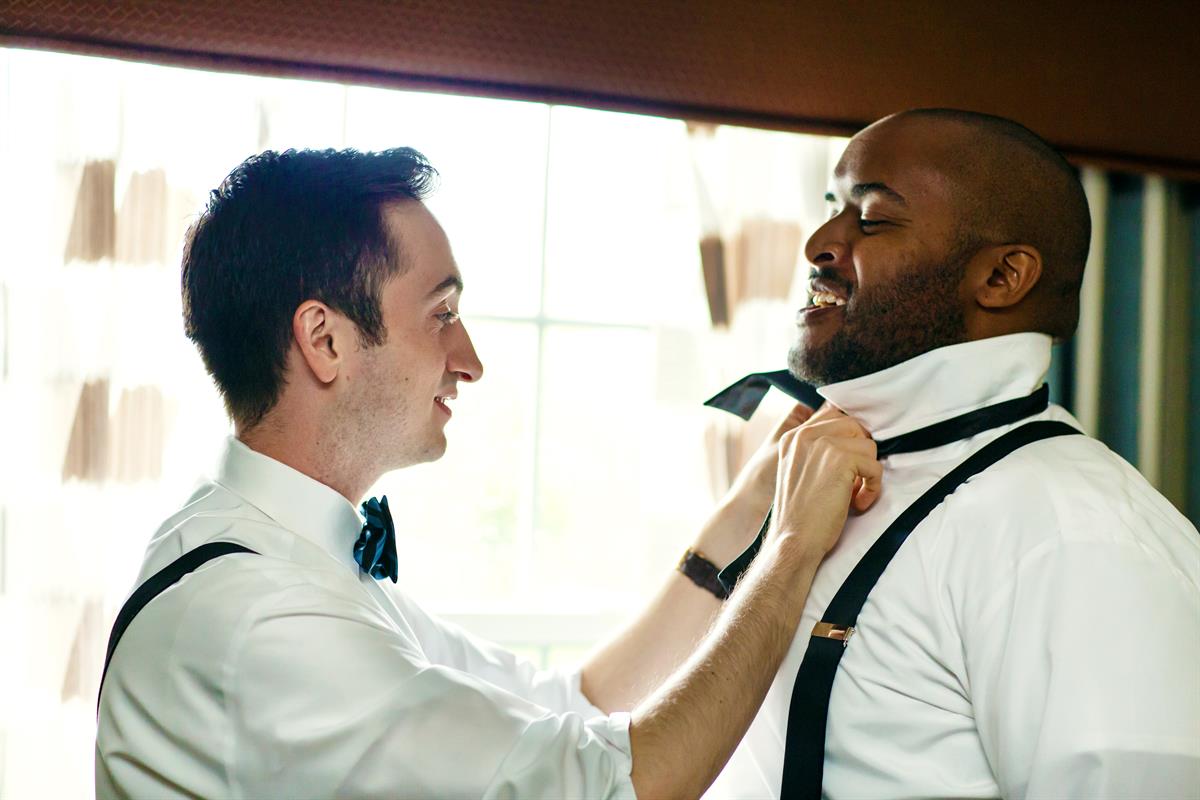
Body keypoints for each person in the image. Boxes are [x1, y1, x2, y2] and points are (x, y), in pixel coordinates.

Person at [94, 147, 879, 799]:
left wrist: (747, 509)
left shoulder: (287, 557)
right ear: (325, 341)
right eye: (441, 314)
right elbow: (611, 789)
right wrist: (791, 551)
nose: (469, 361)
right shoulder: (260, 619)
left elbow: (574, 706)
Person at [705, 109, 1200, 800]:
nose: (818, 244)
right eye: (830, 208)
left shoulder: (1076, 538)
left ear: (1001, 277)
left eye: (871, 219)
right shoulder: (816, 476)